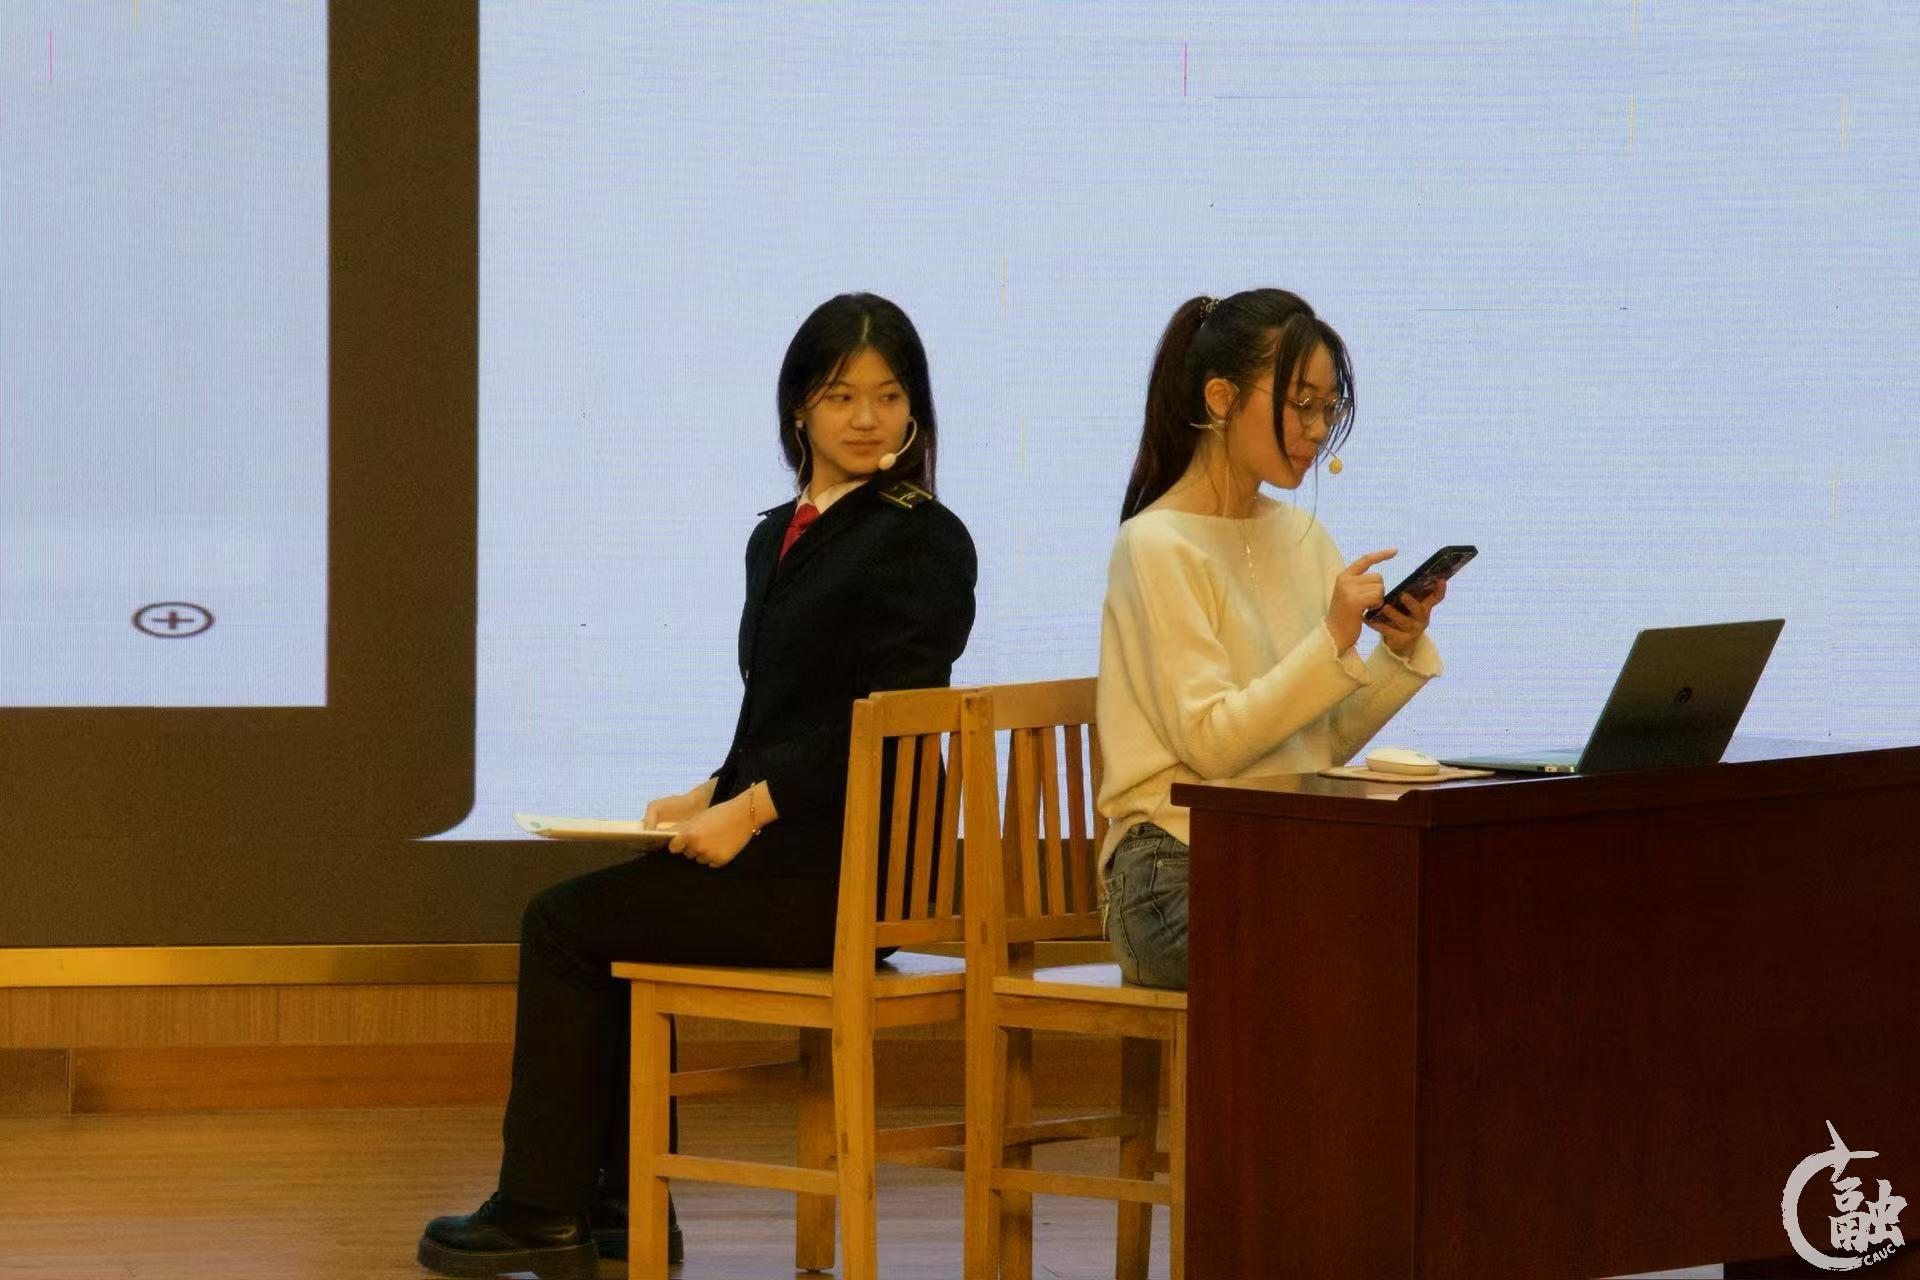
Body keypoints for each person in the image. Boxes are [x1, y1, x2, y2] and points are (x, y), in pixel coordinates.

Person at [419, 293, 977, 1278]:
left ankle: (541, 1207)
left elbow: (891, 715)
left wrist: (751, 807)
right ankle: (617, 1207)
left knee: (562, 926)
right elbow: (790, 710)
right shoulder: (778, 534)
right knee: (607, 918)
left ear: (915, 409)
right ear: (798, 407)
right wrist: (711, 786)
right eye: (841, 395)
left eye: (889, 396)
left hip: (845, 876)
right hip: (790, 850)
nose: (866, 417)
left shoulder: (921, 534)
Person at [1096, 289, 1446, 990]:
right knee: (1363, 956)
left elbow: (1316, 743)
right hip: (1170, 874)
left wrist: (1396, 653)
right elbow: (1211, 745)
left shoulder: (1303, 535)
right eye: (1301, 403)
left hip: (1280, 852)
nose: (1318, 430)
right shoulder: (1154, 544)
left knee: (1439, 930)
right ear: (1221, 398)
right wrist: (1332, 639)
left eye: (1329, 408)